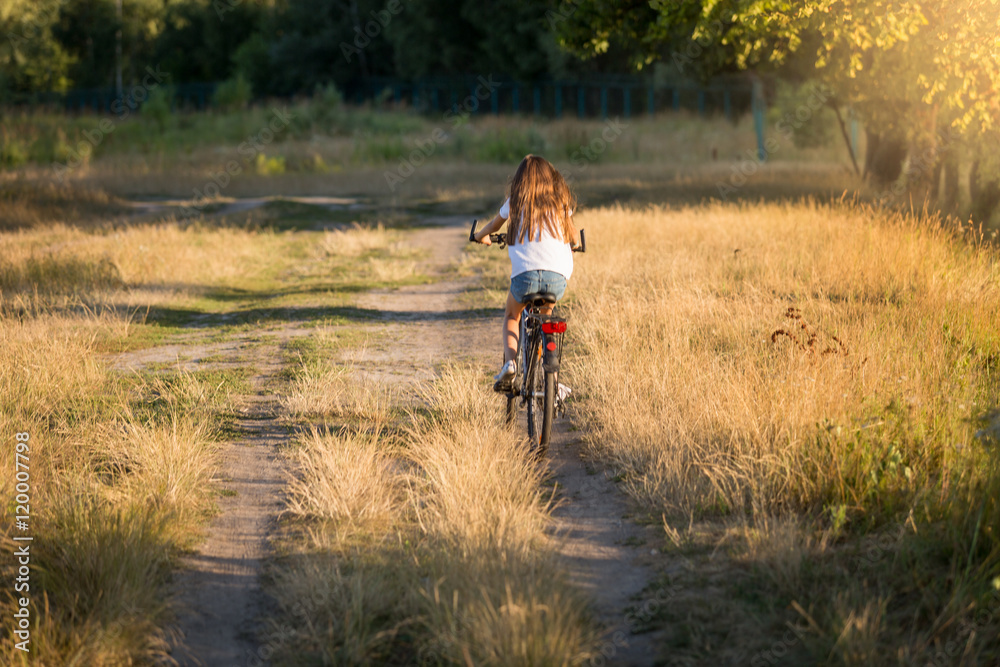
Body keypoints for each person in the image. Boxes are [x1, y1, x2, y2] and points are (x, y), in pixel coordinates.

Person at [472, 154, 580, 390]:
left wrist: (481, 236)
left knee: (512, 315)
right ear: (550, 178)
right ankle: (552, 380)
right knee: (546, 319)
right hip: (556, 278)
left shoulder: (516, 201)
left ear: (520, 180)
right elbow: (571, 235)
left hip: (525, 278)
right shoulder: (561, 201)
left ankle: (510, 363)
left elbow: (492, 226)